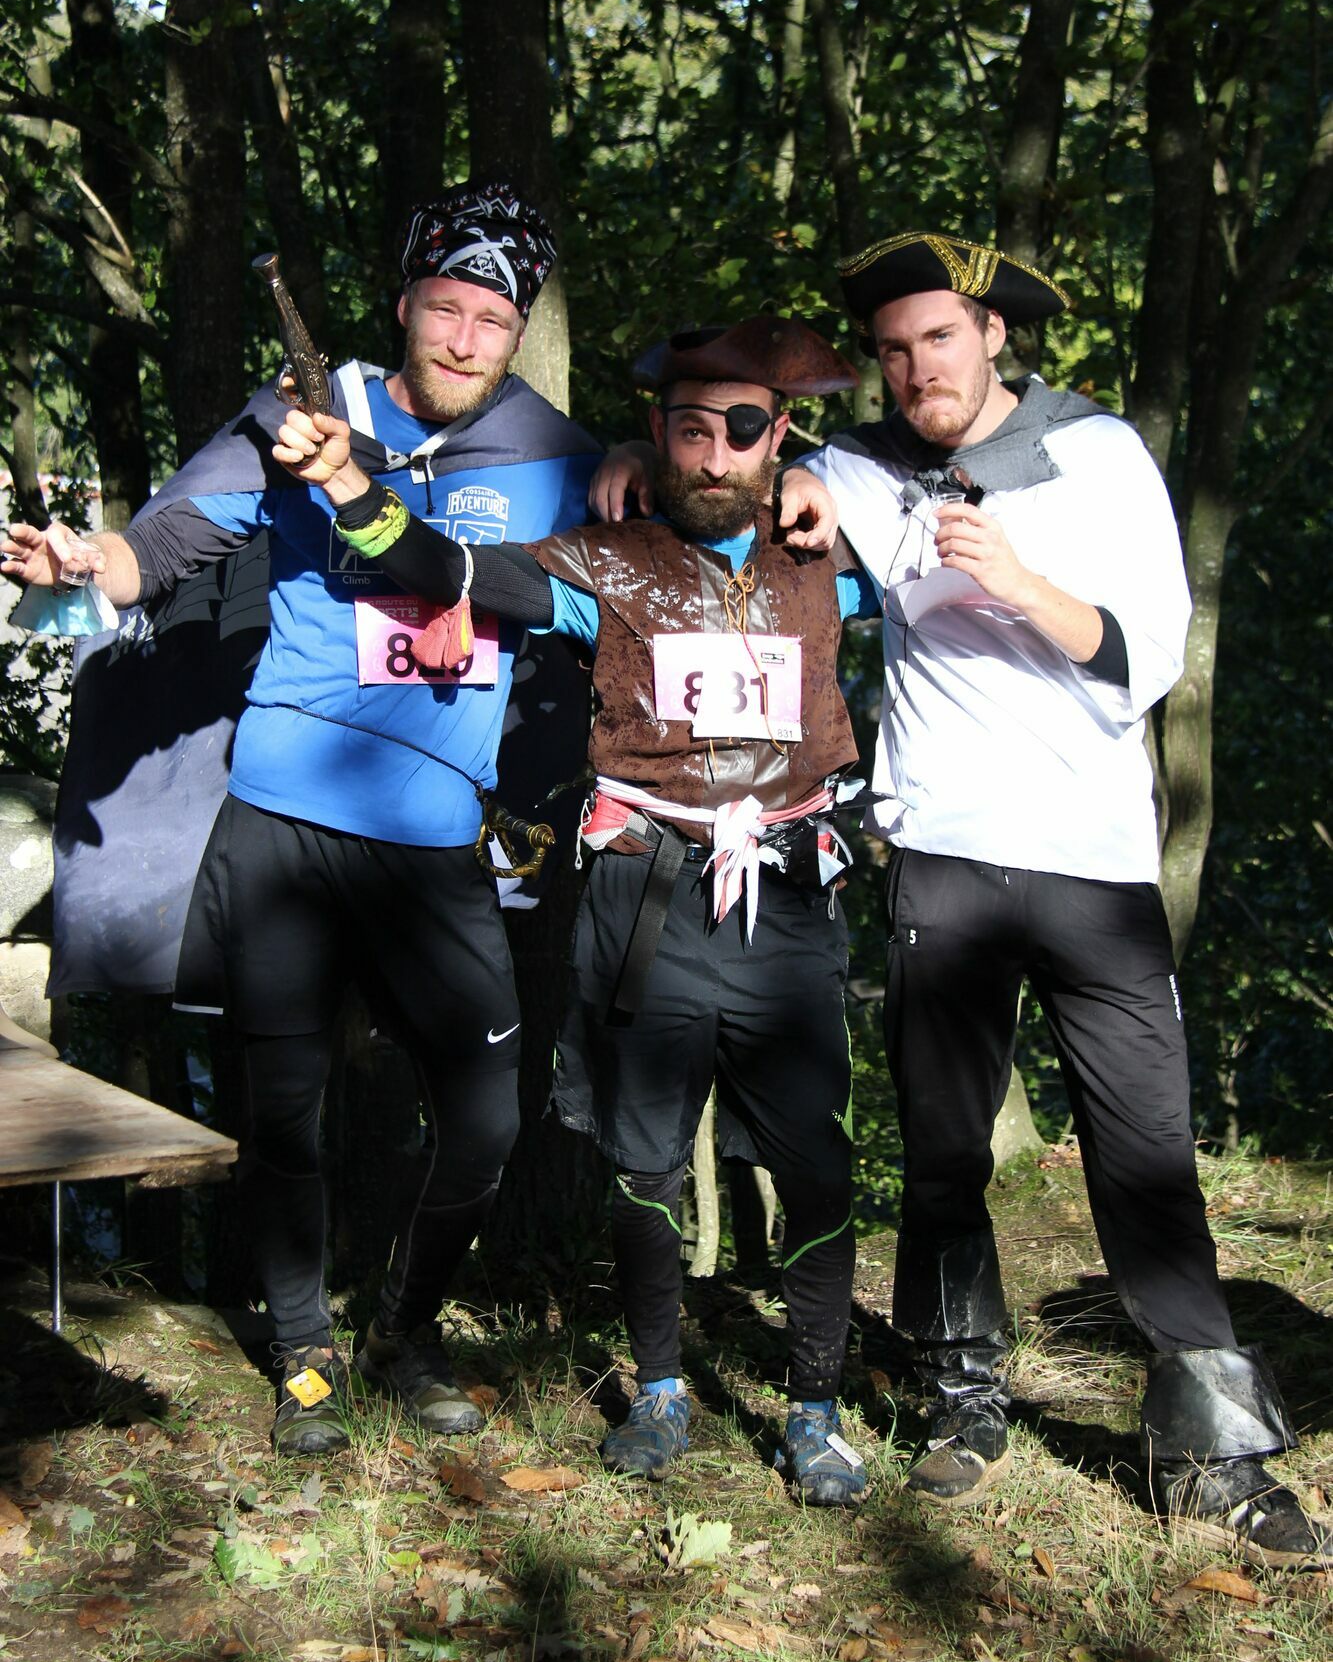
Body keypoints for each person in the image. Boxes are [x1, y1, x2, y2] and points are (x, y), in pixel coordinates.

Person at [1, 181, 601, 1459]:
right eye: (443, 308)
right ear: (404, 303)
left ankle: (404, 1330)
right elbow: (163, 543)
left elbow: (622, 587)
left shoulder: (556, 458)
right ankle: (303, 1350)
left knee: (486, 1116)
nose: (462, 340)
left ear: (518, 334)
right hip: (279, 822)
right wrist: (84, 561)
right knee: (283, 1110)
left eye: (492, 321)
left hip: (435, 840)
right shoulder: (302, 411)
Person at [769, 230, 1326, 1567]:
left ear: (994, 336)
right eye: (893, 352)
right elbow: (752, 481)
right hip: (945, 855)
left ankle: (1217, 1455)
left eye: (939, 340)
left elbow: (1146, 657)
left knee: (1146, 1157)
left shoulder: (1097, 454)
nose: (917, 369)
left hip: (1093, 861)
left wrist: (1018, 581)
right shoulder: (864, 468)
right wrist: (782, 471)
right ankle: (960, 1397)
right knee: (943, 1149)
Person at [270, 316, 883, 1506]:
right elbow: (444, 571)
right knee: (642, 1157)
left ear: (780, 437)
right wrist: (346, 483)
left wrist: (834, 485)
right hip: (643, 897)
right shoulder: (601, 565)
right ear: (655, 432)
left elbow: (949, 550)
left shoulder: (830, 556)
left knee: (814, 1160)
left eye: (742, 431)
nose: (713, 454)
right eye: (688, 429)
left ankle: (814, 1408)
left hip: (788, 902)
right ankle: (659, 1389)